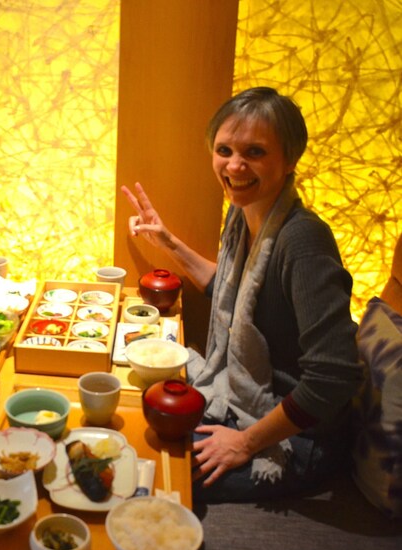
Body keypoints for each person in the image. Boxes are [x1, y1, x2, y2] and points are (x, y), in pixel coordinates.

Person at [122, 87, 362, 503]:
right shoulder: (243, 215)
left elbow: (334, 376)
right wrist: (167, 243)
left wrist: (245, 443)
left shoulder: (303, 240)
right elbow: (235, 301)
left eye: (255, 152)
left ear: (290, 159)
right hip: (245, 402)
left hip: (297, 438)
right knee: (133, 422)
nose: (235, 165)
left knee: (153, 475)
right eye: (225, 149)